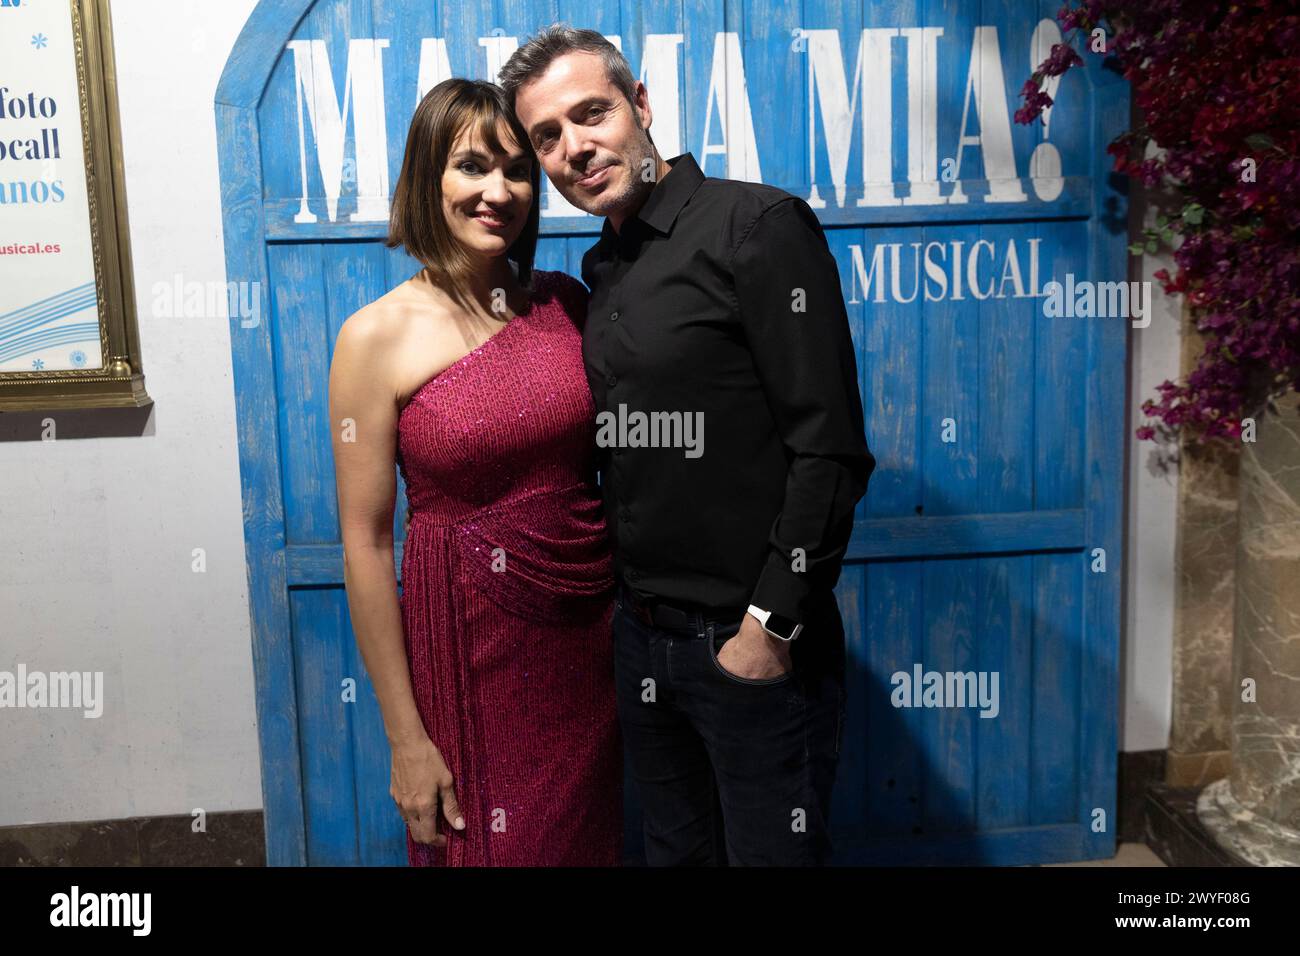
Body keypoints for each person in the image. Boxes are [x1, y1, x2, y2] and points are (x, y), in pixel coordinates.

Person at [503, 25, 875, 865]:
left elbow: (832, 452)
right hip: (640, 643)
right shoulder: (605, 269)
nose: (574, 148)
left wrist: (768, 630)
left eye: (590, 114)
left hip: (750, 646)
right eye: (547, 138)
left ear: (639, 105)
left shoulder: (758, 226)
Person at [328, 78, 621, 866]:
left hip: (596, 650)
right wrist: (405, 739)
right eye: (471, 167)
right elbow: (365, 544)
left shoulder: (567, 304)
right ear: (430, 179)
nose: (499, 192)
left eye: (518, 170)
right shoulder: (374, 338)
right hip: (472, 652)